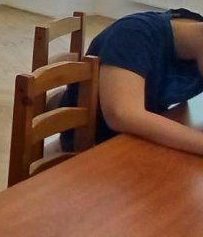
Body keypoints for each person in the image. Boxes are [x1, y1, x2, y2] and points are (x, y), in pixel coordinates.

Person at [60, 9, 203, 153]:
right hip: (94, 144)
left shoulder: (194, 41)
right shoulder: (133, 34)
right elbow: (122, 115)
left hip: (142, 137)